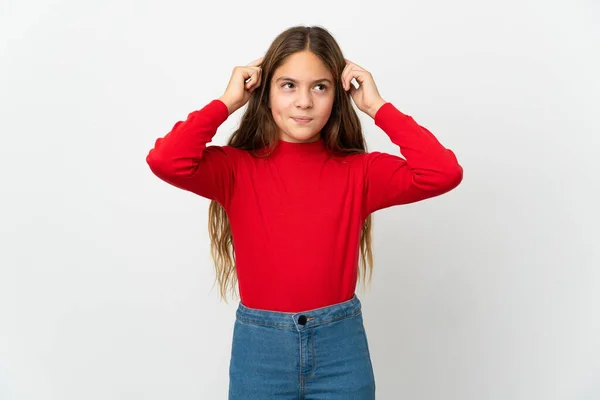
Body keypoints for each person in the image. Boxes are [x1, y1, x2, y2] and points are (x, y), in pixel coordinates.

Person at [146, 25, 462, 400]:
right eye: (288, 85)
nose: (304, 102)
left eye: (320, 87)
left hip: (340, 351)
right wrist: (228, 101)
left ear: (337, 95)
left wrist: (377, 107)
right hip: (260, 353)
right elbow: (166, 161)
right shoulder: (235, 169)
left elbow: (442, 173)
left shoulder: (359, 172)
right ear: (264, 93)